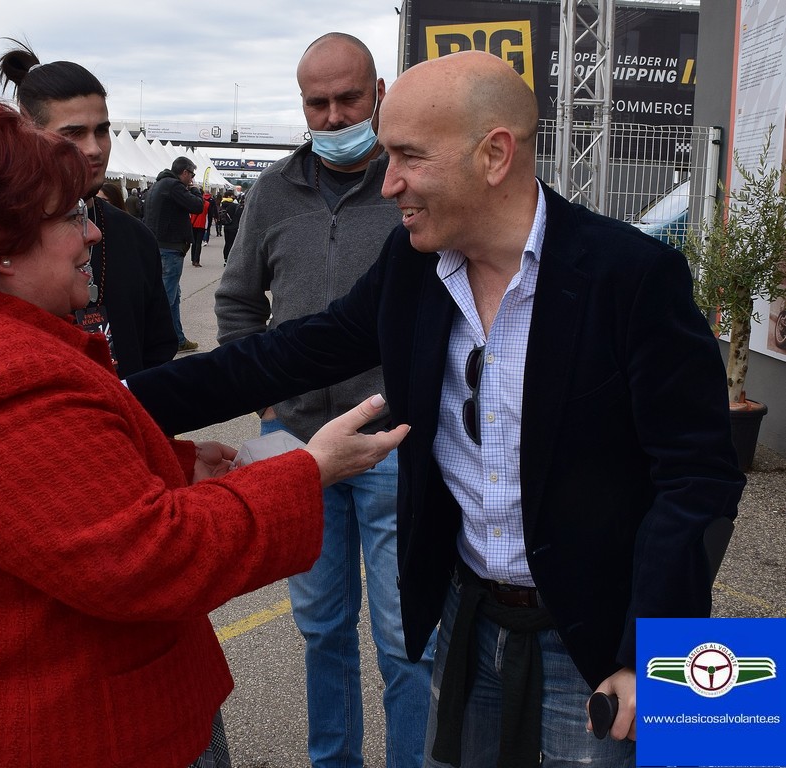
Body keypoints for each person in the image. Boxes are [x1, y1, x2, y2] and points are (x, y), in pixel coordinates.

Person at [125, 50, 745, 768]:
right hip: (467, 622)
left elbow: (697, 479)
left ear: (493, 155)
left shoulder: (632, 276)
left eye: (407, 157)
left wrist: (654, 653)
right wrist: (116, 401)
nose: (387, 184)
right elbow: (286, 353)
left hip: (602, 644)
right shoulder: (412, 266)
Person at [0, 100, 409, 768]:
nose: (93, 234)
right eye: (71, 216)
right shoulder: (2, 377)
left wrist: (163, 465)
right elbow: (148, 559)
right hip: (50, 730)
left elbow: (43, 497)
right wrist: (304, 472)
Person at [214, 32, 432, 768]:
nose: (336, 117)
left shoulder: (414, 185)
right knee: (321, 629)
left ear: (379, 92)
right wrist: (269, 413)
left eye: (348, 98)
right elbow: (239, 302)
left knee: (408, 637)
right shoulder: (273, 191)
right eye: (318, 103)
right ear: (301, 106)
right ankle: (331, 760)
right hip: (303, 449)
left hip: (394, 445)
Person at [0, 41, 177, 377]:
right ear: (27, 131)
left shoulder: (135, 238)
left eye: (102, 131)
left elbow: (159, 352)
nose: (94, 149)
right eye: (74, 133)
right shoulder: (0, 237)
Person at [143, 156, 204, 351]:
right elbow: (197, 206)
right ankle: (154, 342)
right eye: (192, 175)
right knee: (166, 298)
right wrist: (195, 190)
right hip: (170, 249)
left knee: (173, 296)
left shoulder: (158, 184)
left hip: (158, 247)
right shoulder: (174, 185)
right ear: (184, 172)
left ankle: (178, 339)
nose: (192, 179)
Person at [219, 192, 241, 266]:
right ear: (229, 196)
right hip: (233, 226)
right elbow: (239, 215)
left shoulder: (223, 204)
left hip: (226, 226)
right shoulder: (234, 205)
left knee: (227, 243)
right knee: (232, 243)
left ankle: (225, 259)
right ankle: (230, 259)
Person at [189, 187, 208, 267]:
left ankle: (193, 259)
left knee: (193, 243)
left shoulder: (191, 202)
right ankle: (197, 260)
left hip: (192, 223)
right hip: (201, 224)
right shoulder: (206, 204)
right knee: (198, 243)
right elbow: (208, 215)